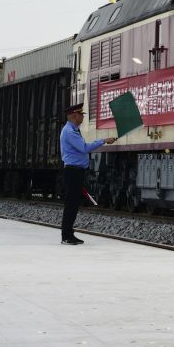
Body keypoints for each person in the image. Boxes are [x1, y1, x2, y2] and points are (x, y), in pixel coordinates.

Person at [60, 103, 116, 245]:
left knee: (73, 203)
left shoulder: (73, 130)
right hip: (73, 171)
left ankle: (69, 234)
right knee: (71, 204)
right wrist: (103, 140)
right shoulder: (70, 132)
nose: (82, 117)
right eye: (80, 115)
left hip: (75, 171)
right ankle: (66, 236)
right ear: (73, 116)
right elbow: (84, 148)